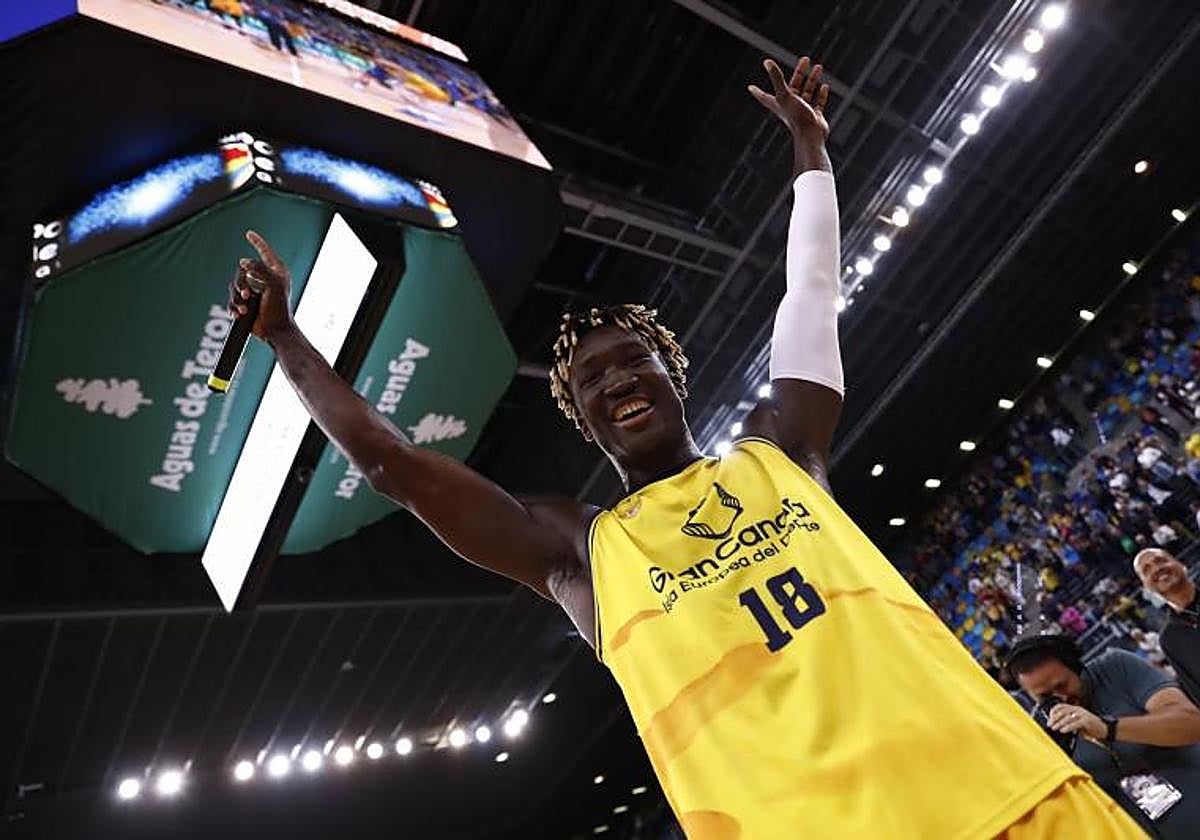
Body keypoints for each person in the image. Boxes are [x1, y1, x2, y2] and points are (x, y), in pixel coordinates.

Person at [229, 57, 1141, 837]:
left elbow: (809, 293)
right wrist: (285, 340)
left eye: (636, 361)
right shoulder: (579, 549)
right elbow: (394, 467)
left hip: (1014, 790)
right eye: (592, 379)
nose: (617, 379)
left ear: (675, 375)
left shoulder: (782, 451)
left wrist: (812, 155)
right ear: (581, 417)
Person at [1007, 635, 1200, 837]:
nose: (1060, 698)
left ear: (1078, 668)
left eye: (1062, 686)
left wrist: (1108, 728)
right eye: (1045, 697)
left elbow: (1192, 723)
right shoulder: (1041, 729)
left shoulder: (1116, 667)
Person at [1134, 548, 1200, 704]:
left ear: (1180, 564)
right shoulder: (1169, 640)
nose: (1157, 569)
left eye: (1161, 560)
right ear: (1146, 586)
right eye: (1147, 570)